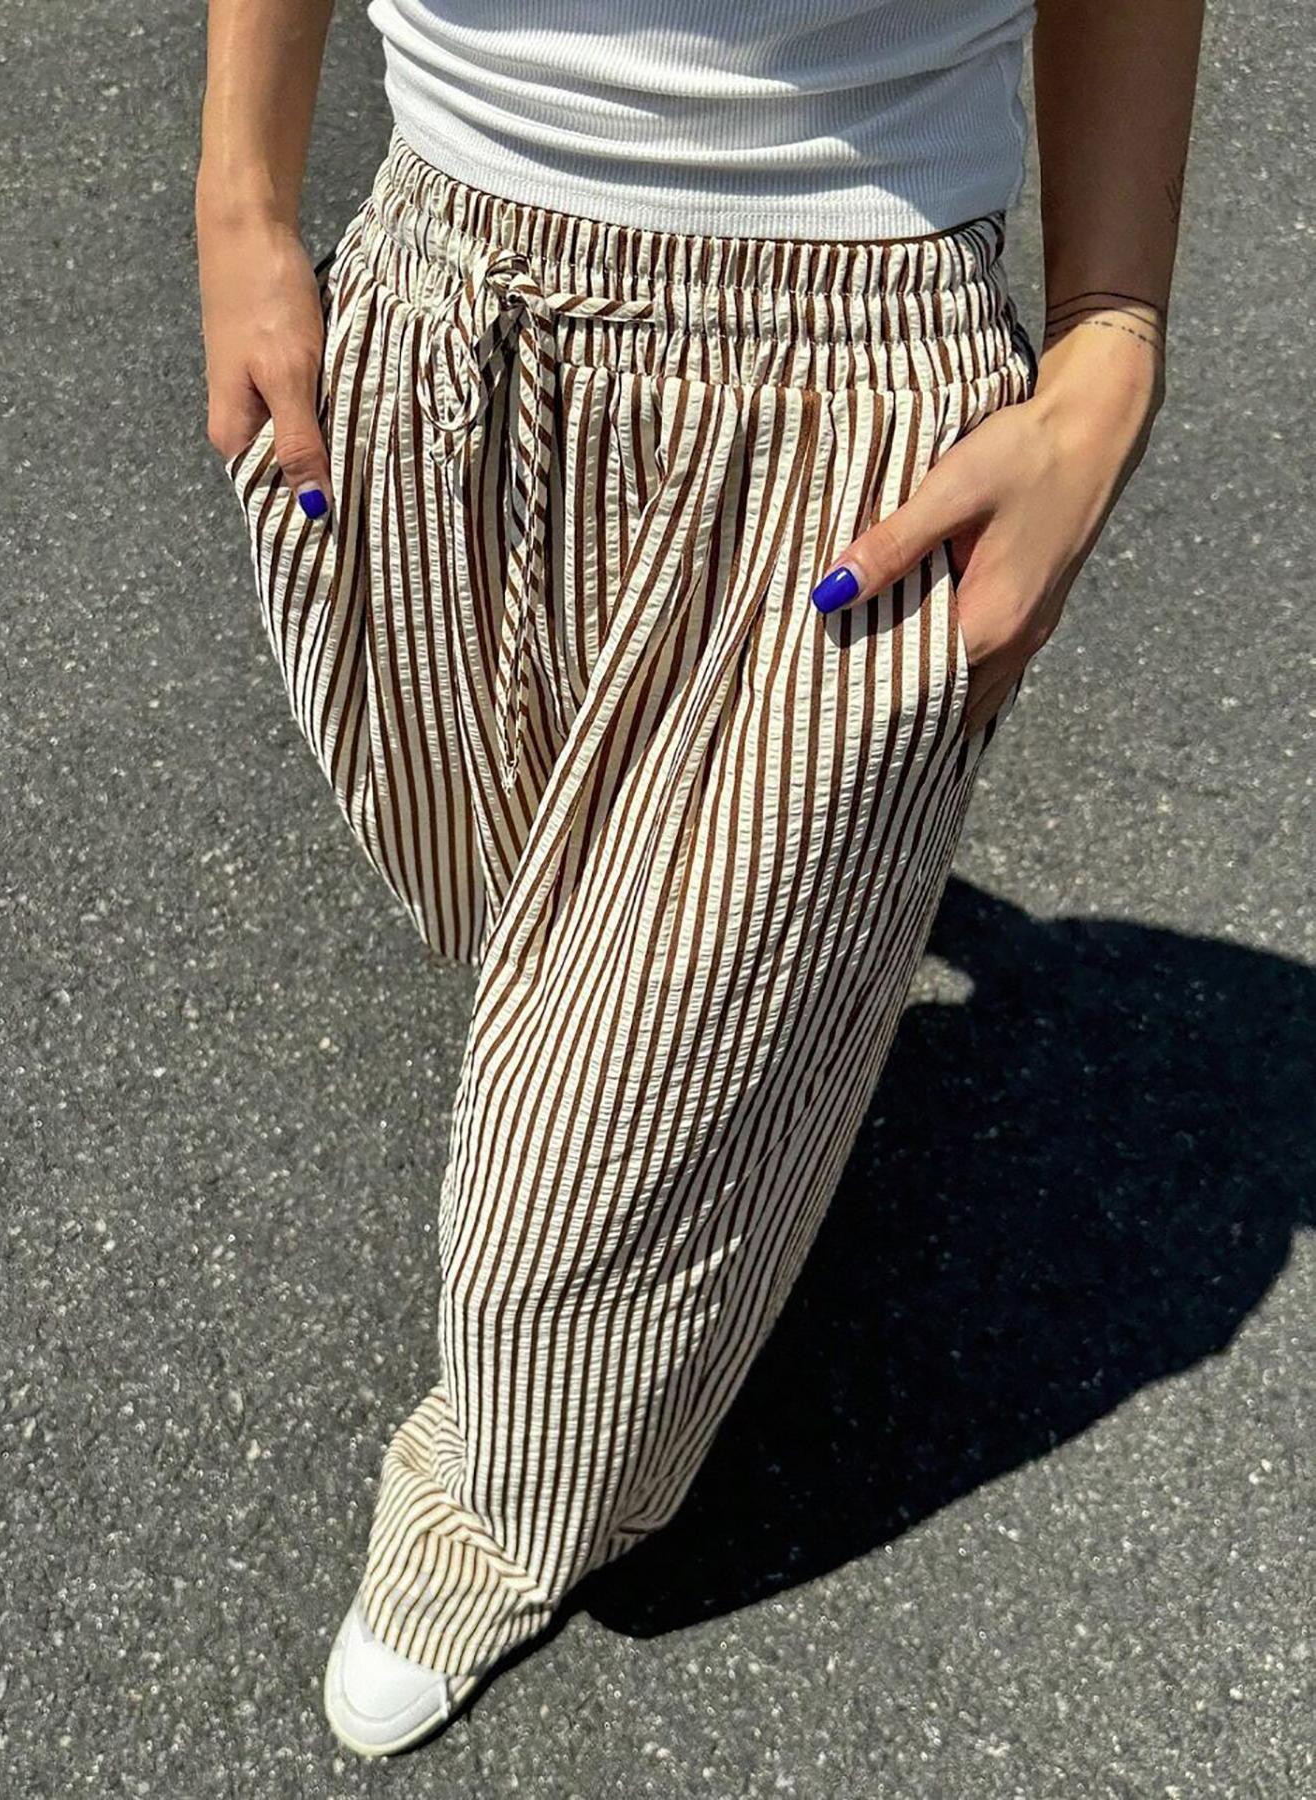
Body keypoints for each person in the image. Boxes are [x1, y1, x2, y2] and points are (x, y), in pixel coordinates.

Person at [196, 0, 1203, 1758]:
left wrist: (1109, 345)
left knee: (583, 1188)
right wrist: (241, 204)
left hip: (849, 401)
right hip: (436, 303)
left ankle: (508, 1499)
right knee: (509, 904)